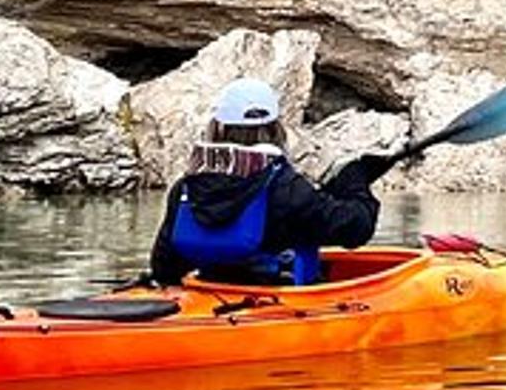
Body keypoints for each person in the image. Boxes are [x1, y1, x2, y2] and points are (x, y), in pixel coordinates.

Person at [148, 77, 395, 286]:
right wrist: (356, 181)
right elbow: (357, 229)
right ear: (275, 129)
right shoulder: (285, 187)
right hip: (277, 300)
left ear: (218, 128)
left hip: (212, 294)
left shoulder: (186, 188)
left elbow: (164, 269)